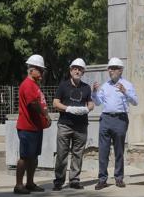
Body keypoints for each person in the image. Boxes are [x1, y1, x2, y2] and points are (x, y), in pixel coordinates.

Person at [91, 57, 138, 189]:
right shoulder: (105, 86)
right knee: (103, 150)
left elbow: (135, 102)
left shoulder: (127, 85)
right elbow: (98, 102)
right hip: (105, 118)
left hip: (120, 119)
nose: (111, 71)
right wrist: (94, 93)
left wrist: (125, 92)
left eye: (114, 68)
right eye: (109, 68)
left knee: (119, 150)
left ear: (121, 70)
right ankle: (102, 179)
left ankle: (118, 178)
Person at [52, 58, 94, 191]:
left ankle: (75, 180)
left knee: (78, 154)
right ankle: (59, 181)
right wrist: (68, 108)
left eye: (80, 69)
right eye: (75, 68)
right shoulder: (63, 85)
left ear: (83, 72)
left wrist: (88, 109)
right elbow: (55, 103)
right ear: (70, 71)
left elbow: (91, 103)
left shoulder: (86, 87)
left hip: (81, 126)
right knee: (61, 154)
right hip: (65, 125)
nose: (77, 71)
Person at [14, 54, 51, 194]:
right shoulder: (28, 85)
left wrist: (43, 120)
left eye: (42, 70)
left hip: (35, 127)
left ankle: (29, 183)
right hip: (27, 127)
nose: (41, 73)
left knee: (33, 157)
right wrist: (45, 115)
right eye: (39, 70)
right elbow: (33, 104)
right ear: (31, 70)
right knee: (25, 156)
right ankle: (19, 185)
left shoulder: (35, 84)